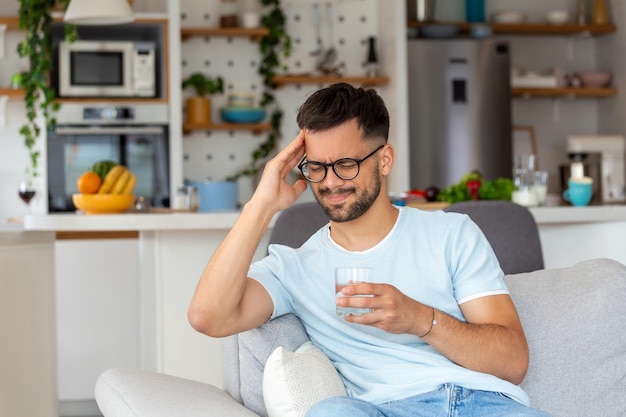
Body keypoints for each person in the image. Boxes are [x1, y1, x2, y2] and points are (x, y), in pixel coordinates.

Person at [188, 83, 551, 417]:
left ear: (385, 160)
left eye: (345, 165)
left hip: (481, 404)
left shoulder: (451, 233)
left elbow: (513, 361)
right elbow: (208, 317)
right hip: (381, 410)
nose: (330, 182)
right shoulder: (293, 267)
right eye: (316, 167)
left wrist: (420, 319)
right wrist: (261, 206)